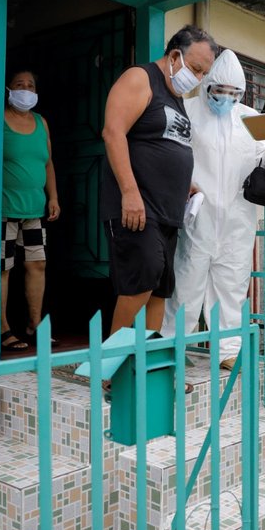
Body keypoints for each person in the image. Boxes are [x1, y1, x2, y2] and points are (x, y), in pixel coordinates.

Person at [161, 49, 265, 369]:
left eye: (234, 94)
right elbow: (169, 152)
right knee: (187, 280)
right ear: (207, 86)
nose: (226, 99)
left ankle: (228, 350)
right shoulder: (188, 110)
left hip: (237, 216)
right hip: (199, 212)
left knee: (232, 283)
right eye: (220, 92)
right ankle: (172, 345)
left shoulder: (250, 120)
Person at [101, 26, 218, 335]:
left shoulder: (175, 97)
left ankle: (150, 368)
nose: (198, 78)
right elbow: (113, 132)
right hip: (136, 207)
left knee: (159, 292)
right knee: (140, 283)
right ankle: (110, 368)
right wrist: (129, 192)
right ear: (174, 54)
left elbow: (166, 145)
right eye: (195, 68)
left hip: (167, 212)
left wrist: (185, 183)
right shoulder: (140, 78)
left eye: (204, 74)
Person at [0, 70, 59, 353]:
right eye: (19, 85)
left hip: (34, 208)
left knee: (37, 264)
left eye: (31, 85)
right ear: (9, 89)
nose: (26, 89)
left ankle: (34, 324)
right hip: (4, 208)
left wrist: (53, 197)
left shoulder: (41, 122)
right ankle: (3, 328)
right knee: (4, 268)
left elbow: (47, 163)